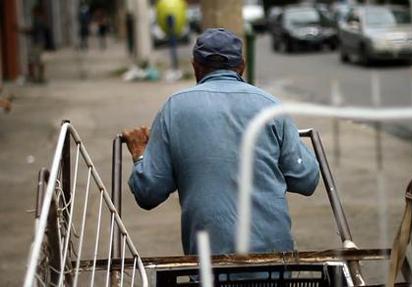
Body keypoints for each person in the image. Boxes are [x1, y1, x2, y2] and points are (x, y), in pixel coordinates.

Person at [122, 28, 319, 258]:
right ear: (242, 67)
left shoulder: (174, 108)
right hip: (274, 261)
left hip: (209, 265)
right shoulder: (270, 107)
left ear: (196, 67)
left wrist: (140, 153)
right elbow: (307, 180)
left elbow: (149, 193)